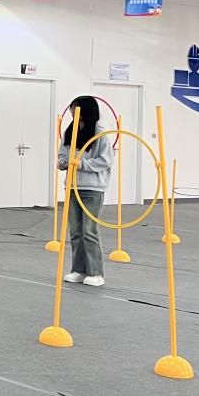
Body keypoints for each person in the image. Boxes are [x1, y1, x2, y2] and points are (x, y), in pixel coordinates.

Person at [58, 95, 113, 288]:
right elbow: (62, 154)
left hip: (92, 189)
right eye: (72, 108)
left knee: (89, 231)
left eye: (75, 107)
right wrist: (63, 162)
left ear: (86, 110)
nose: (72, 111)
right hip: (72, 187)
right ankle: (78, 270)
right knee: (75, 232)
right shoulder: (70, 131)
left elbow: (106, 160)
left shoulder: (100, 134)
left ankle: (96, 273)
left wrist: (82, 164)